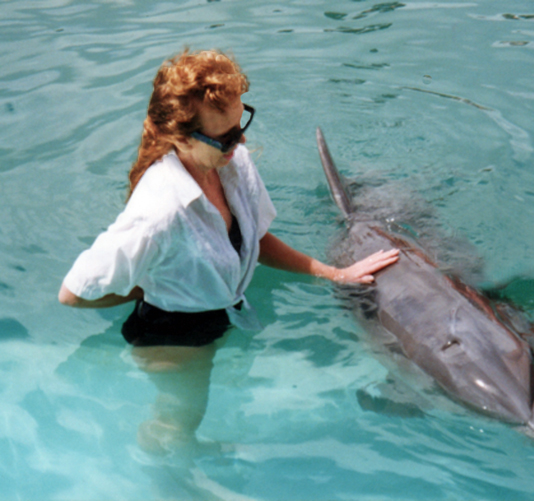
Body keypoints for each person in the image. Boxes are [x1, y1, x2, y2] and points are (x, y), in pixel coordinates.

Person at [58, 49, 399, 454]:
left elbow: (254, 240)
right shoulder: (158, 213)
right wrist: (147, 289)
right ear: (181, 137)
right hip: (172, 336)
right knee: (179, 422)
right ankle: (168, 476)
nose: (240, 142)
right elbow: (73, 293)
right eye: (225, 137)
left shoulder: (231, 163)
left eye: (240, 126)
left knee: (200, 411)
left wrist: (334, 273)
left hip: (220, 315)